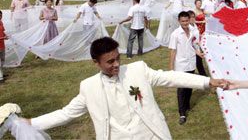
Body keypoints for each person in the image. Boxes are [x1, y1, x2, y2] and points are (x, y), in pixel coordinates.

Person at [24, 37, 226, 139]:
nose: (116, 65)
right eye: (109, 62)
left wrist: (206, 82)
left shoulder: (138, 69)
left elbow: (168, 77)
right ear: (96, 63)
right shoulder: (89, 87)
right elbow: (66, 114)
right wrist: (29, 124)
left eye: (118, 59)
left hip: (151, 135)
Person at [169, 11, 206, 125]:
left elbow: (193, 44)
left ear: (189, 19)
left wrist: (198, 53)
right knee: (181, 89)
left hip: (191, 62)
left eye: (186, 20)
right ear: (179, 21)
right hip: (180, 64)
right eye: (182, 21)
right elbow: (172, 51)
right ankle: (182, 114)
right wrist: (171, 68)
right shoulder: (175, 34)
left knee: (189, 85)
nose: (185, 23)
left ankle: (187, 105)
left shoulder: (193, 30)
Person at [188, 10, 207, 76]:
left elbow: (197, 35)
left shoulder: (194, 25)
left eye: (193, 17)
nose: (193, 18)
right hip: (192, 49)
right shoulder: (188, 28)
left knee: (199, 63)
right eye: (191, 17)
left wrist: (202, 37)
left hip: (197, 47)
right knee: (192, 66)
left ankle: (204, 76)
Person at [0, 10, 8, 83]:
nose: (0, 17)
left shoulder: (1, 23)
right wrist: (3, 38)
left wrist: (6, 36)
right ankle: (0, 78)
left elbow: (3, 32)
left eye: (1, 15)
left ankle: (1, 73)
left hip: (2, 45)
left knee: (2, 60)